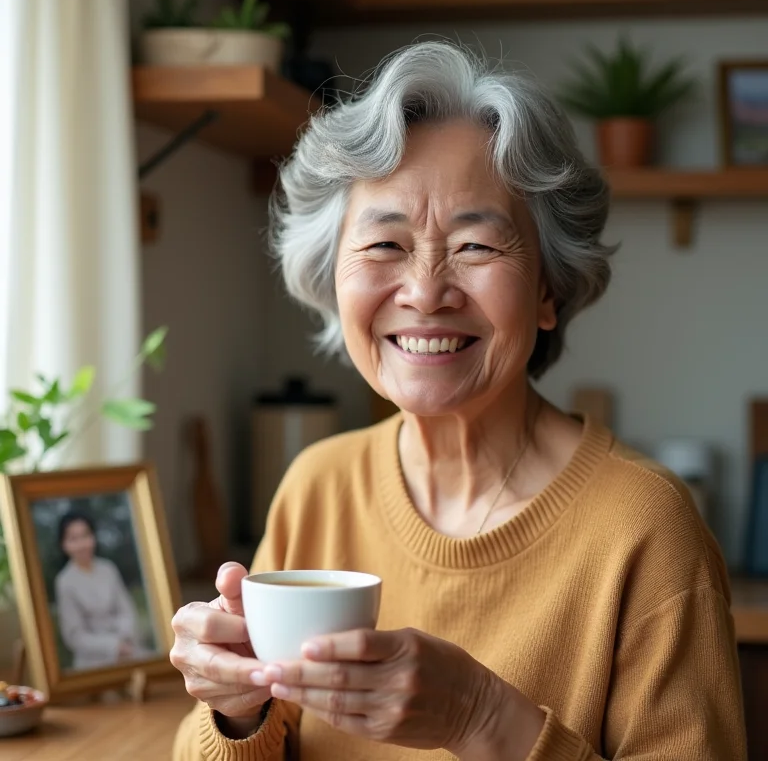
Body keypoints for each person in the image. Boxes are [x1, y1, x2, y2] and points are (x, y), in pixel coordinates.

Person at [171, 42, 747, 760]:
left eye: (476, 247)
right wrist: (236, 712)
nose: (425, 291)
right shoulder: (318, 486)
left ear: (548, 290)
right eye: (385, 245)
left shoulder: (647, 528)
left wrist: (481, 718)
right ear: (333, 276)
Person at [54, 511, 144, 670]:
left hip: (128, 648)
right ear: (64, 545)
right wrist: (114, 646)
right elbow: (74, 636)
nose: (82, 544)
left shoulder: (108, 568)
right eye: (73, 539)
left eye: (85, 535)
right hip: (92, 662)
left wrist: (125, 637)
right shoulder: (64, 581)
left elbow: (127, 611)